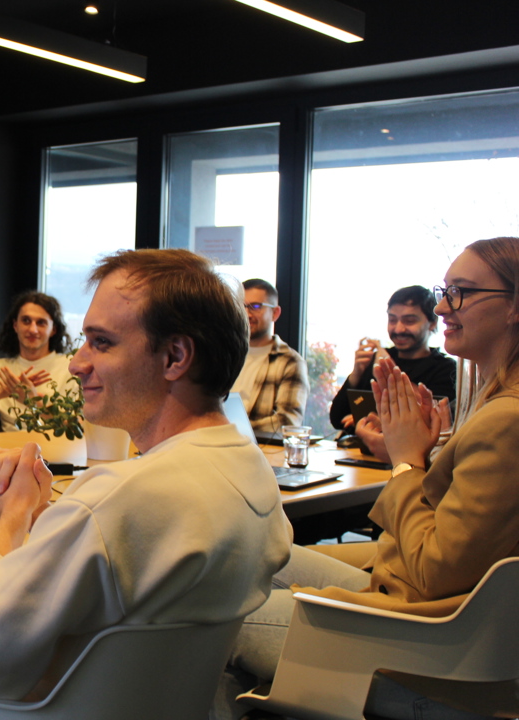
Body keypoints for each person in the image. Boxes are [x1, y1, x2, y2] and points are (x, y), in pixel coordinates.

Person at [0, 249, 292, 700]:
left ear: (175, 356)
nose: (77, 363)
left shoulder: (117, 500)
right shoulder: (251, 472)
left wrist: (13, 517)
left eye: (102, 342)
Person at [216, 237, 519, 720]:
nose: (442, 305)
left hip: (418, 638)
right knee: (258, 553)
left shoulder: (506, 419)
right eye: (445, 290)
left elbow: (437, 572)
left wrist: (406, 461)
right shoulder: (496, 403)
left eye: (459, 292)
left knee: (208, 610)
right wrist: (420, 449)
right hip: (412, 595)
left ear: (513, 308)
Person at [329, 285, 456, 431]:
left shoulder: (446, 369)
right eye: (392, 320)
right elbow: (338, 419)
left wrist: (390, 370)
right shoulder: (376, 359)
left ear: (432, 323)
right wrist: (356, 374)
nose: (398, 329)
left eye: (409, 321)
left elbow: (434, 422)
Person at [0, 291, 74, 432]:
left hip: (58, 450)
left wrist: (33, 401)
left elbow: (77, 427)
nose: (32, 329)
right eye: (26, 321)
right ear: (15, 325)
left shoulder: (72, 367)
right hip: (6, 450)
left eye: (41, 323)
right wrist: (4, 391)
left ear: (53, 329)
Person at [231, 278, 308, 433]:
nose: (247, 314)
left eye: (255, 307)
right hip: (216, 445)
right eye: (242, 306)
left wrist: (232, 430)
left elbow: (287, 422)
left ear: (275, 313)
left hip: (262, 451)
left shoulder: (290, 362)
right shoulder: (225, 355)